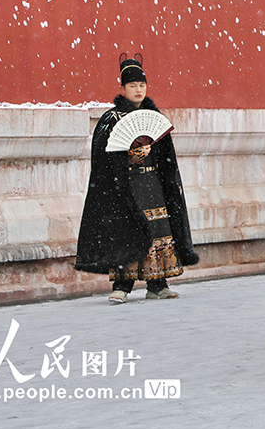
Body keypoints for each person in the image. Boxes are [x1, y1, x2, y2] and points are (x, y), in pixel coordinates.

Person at [75, 55, 198, 303]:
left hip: (153, 184)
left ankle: (157, 283)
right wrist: (129, 156)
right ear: (122, 88)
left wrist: (156, 158)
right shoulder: (111, 120)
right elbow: (103, 159)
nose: (138, 90)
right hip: (126, 187)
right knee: (127, 231)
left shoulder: (155, 116)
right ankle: (122, 285)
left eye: (142, 85)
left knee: (158, 229)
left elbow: (167, 158)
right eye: (132, 86)